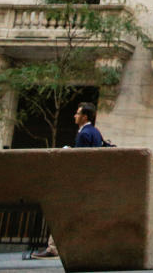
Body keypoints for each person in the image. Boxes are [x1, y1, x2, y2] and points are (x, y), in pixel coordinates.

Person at [30, 102, 106, 259]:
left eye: (78, 113)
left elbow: (80, 160)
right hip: (90, 182)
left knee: (61, 213)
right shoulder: (95, 132)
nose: (75, 116)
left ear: (84, 117)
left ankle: (53, 248)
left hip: (79, 183)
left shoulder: (84, 134)